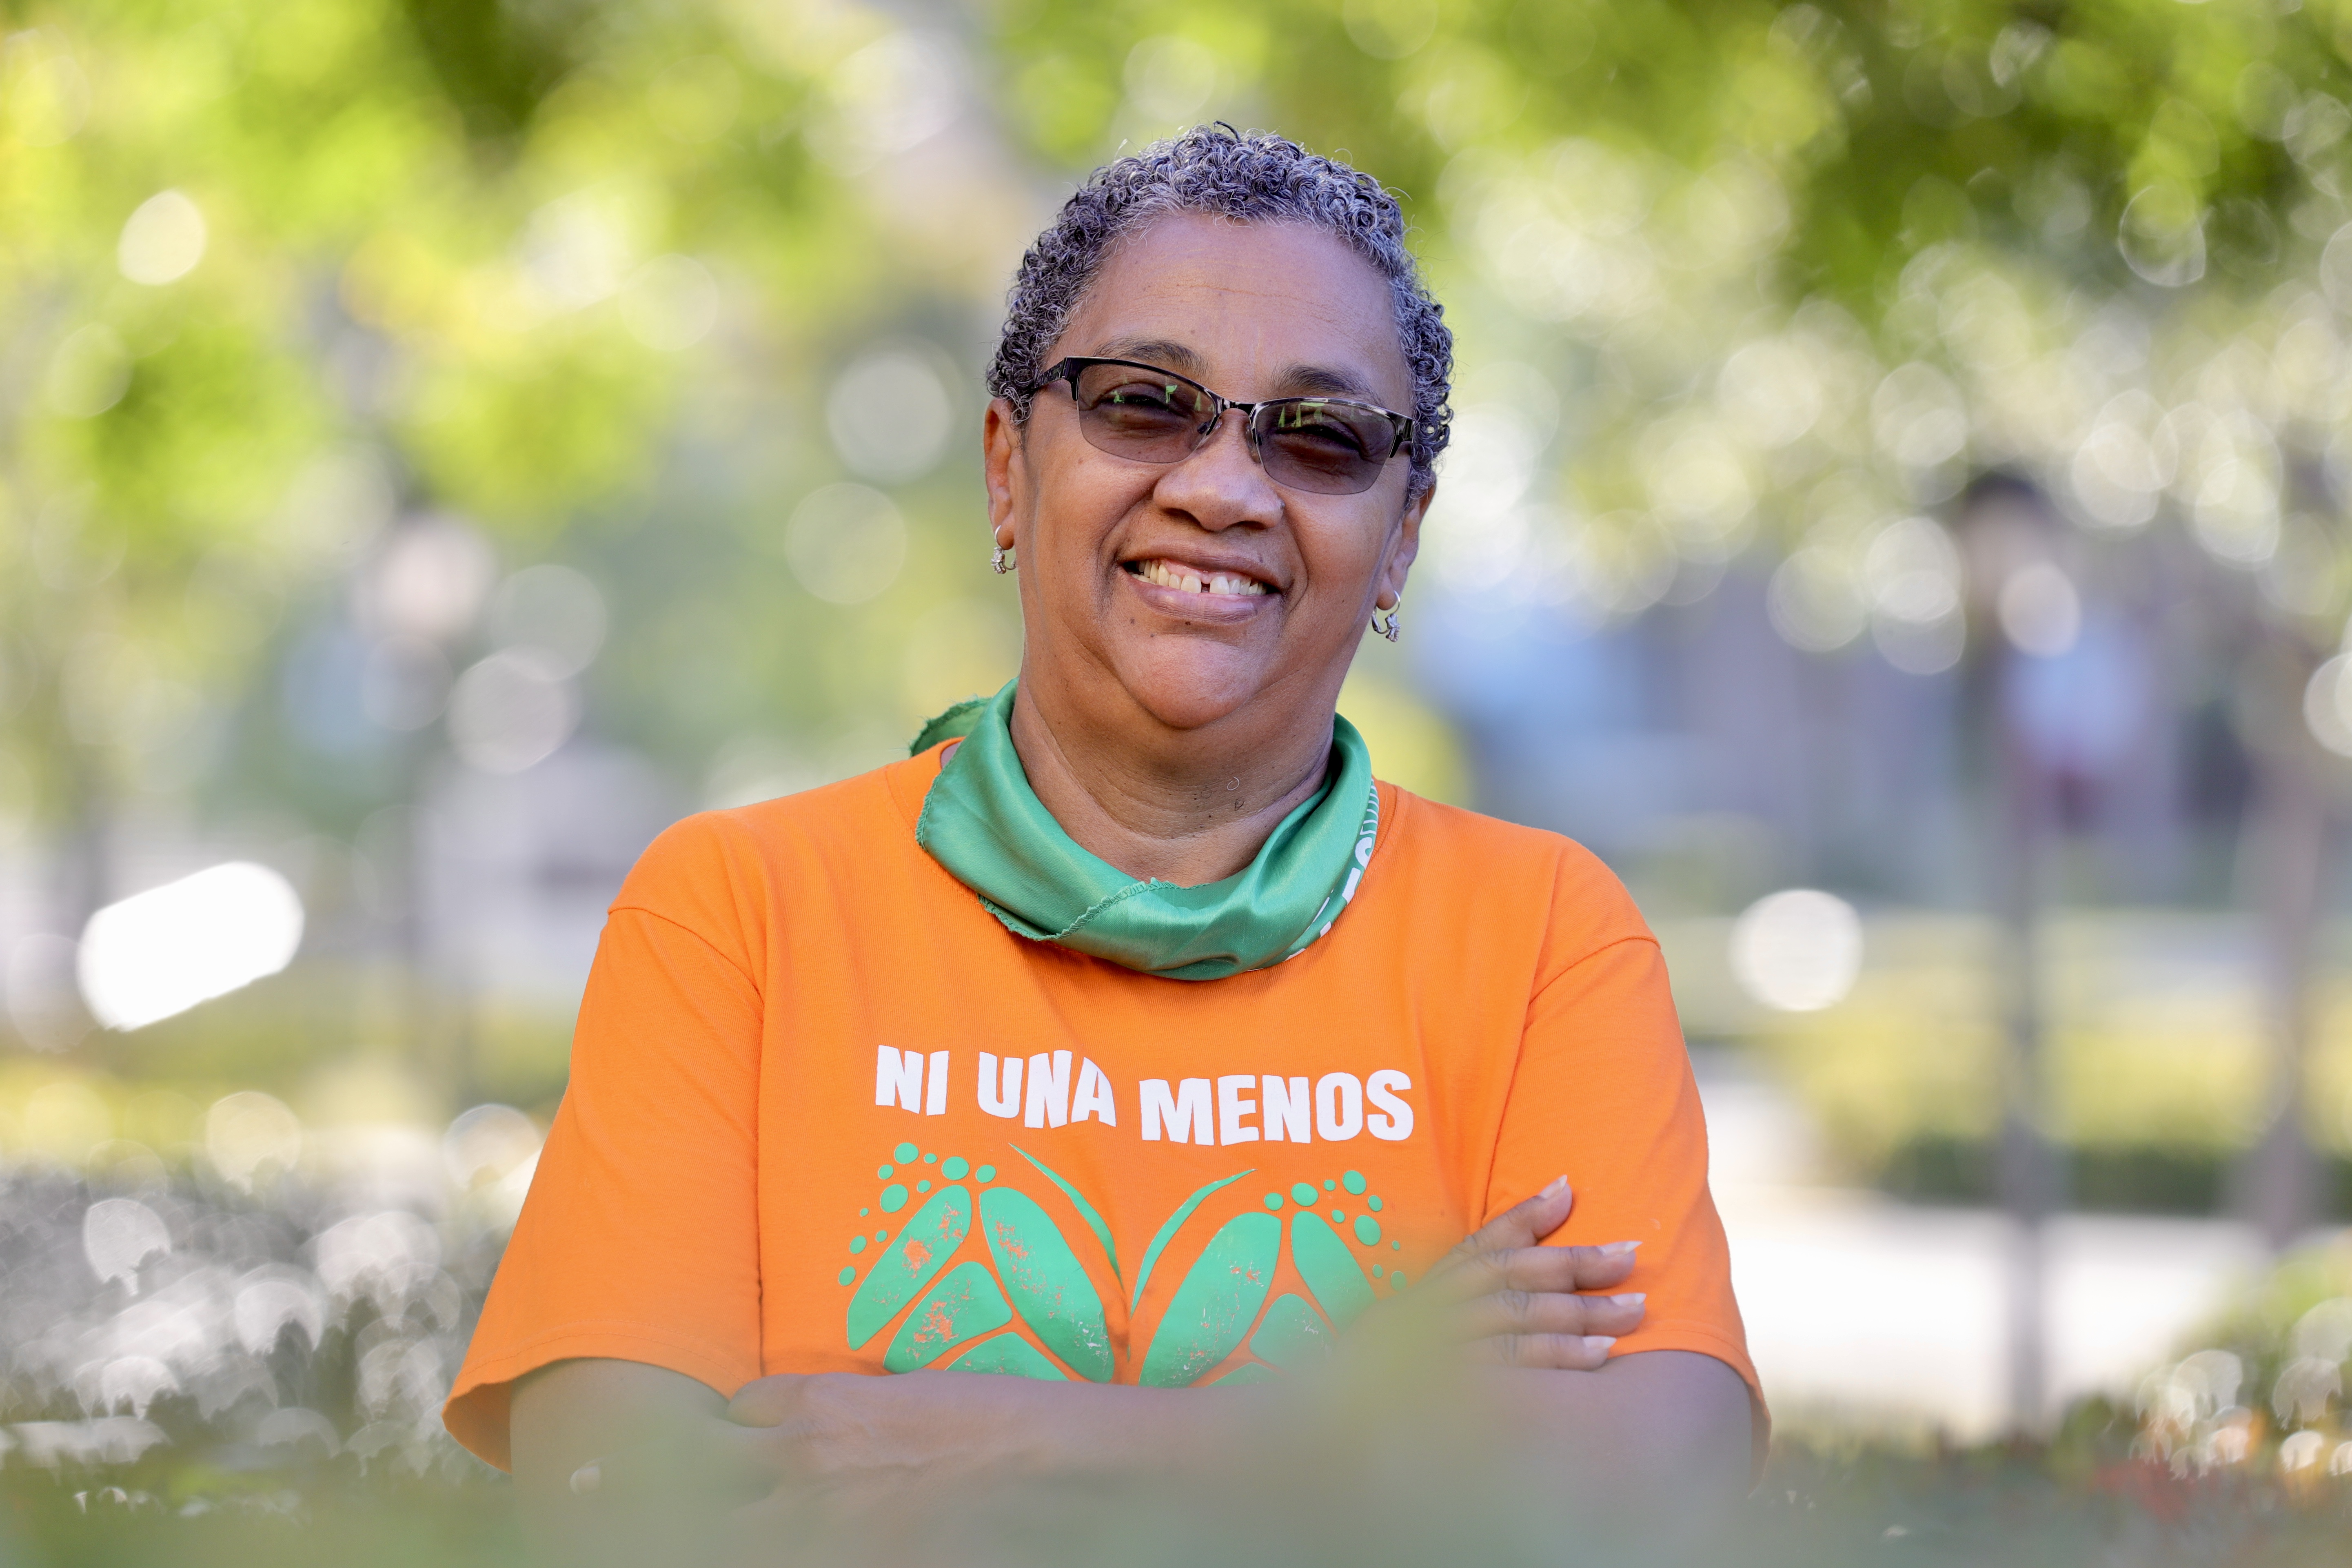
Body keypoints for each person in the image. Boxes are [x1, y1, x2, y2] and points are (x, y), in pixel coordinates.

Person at [444, 126, 1760, 1538]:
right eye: (1142, 404)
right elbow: (623, 1503)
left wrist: (1017, 1442)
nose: (1223, 488)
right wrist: (1375, 1426)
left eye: (1320, 436)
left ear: (1401, 537)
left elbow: (1641, 1474)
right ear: (1006, 468)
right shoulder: (741, 913)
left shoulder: (1541, 936)